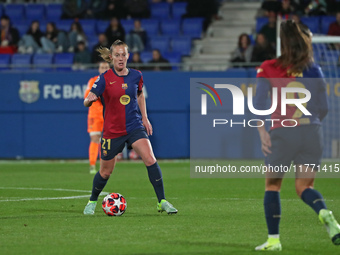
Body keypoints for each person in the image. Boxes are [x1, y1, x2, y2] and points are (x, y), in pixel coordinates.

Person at [254, 21, 340, 251]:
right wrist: (311, 128)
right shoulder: (313, 68)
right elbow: (323, 108)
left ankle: (274, 240)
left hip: (283, 132)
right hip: (312, 132)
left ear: (282, 42)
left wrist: (263, 132)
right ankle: (324, 212)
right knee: (304, 186)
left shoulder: (269, 67)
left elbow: (258, 104)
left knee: (272, 186)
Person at [83, 40, 178, 215]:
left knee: (150, 158)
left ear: (128, 56)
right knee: (105, 172)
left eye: (123, 55)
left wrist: (145, 118)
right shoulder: (104, 79)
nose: (120, 58)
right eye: (117, 55)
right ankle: (92, 201)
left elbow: (140, 95)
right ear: (111, 57)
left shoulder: (136, 75)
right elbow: (89, 98)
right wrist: (89, 100)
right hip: (113, 131)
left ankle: (162, 201)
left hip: (134, 126)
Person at [84, 61, 110, 174]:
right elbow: (88, 96)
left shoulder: (114, 81)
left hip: (108, 114)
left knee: (106, 141)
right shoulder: (92, 81)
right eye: (102, 67)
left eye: (106, 67)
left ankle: (103, 166)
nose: (104, 69)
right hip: (95, 114)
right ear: (99, 69)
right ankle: (92, 165)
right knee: (95, 138)